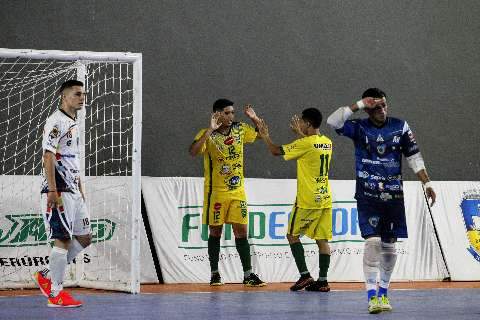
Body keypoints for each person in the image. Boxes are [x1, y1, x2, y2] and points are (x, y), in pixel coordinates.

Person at [326, 88, 436, 314]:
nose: (382, 110)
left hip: (393, 197)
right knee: (373, 243)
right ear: (368, 108)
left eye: (384, 105)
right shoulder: (359, 127)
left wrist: (427, 183)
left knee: (389, 247)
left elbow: (414, 157)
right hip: (367, 195)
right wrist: (357, 104)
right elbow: (332, 121)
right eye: (376, 106)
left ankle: (384, 293)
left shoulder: (400, 126)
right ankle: (371, 296)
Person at [189, 98, 266, 287]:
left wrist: (255, 119)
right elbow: (193, 151)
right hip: (216, 192)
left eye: (232, 112)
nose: (231, 116)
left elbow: (262, 133)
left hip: (237, 191)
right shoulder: (206, 134)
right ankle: (215, 273)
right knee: (215, 232)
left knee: (241, 232)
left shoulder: (240, 129)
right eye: (227, 112)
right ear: (217, 114)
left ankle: (248, 275)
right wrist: (209, 130)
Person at [256, 108, 333, 292]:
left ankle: (305, 275)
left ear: (307, 123)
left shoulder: (306, 143)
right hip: (325, 197)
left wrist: (265, 136)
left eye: (302, 122)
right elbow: (310, 146)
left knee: (292, 235)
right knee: (322, 240)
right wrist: (300, 134)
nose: (299, 124)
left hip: (308, 199)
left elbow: (276, 151)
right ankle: (323, 281)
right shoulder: (327, 142)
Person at [33, 80, 92, 307]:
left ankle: (46, 274)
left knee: (85, 237)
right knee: (62, 239)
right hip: (58, 189)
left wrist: (80, 188)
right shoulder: (56, 121)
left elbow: (71, 159)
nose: (82, 97)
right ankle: (55, 294)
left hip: (73, 190)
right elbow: (48, 156)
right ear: (64, 96)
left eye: (83, 94)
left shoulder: (73, 122)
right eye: (77, 94)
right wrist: (53, 190)